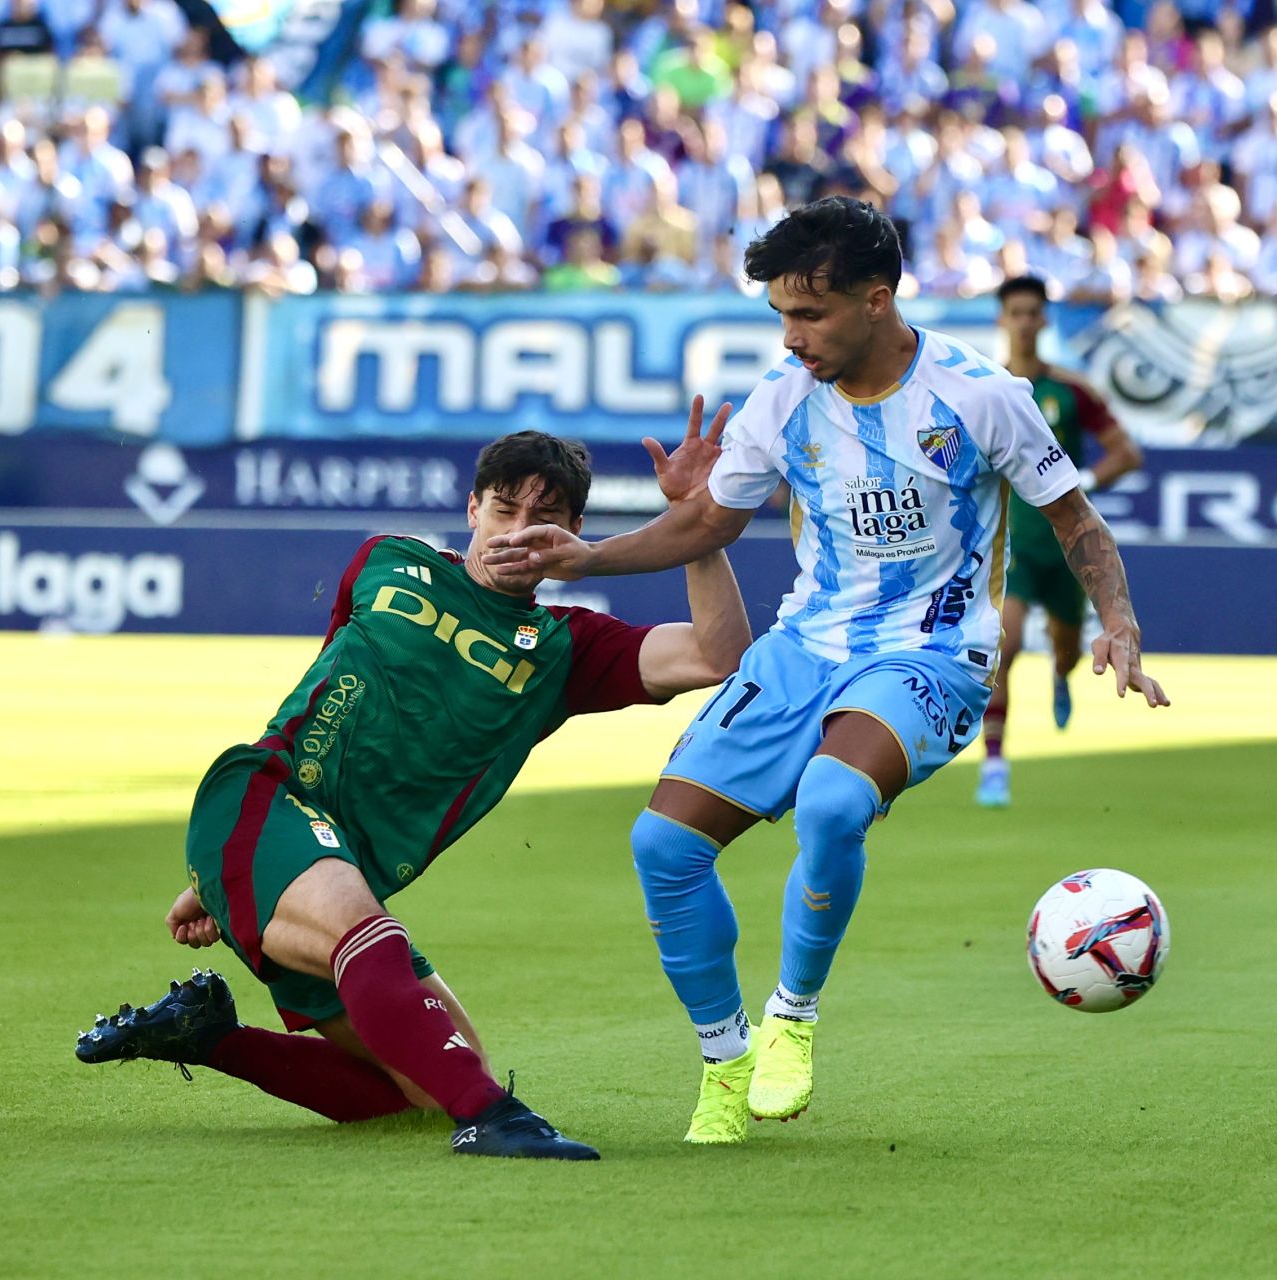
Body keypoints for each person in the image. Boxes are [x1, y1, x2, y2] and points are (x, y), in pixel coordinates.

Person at [484, 198, 1169, 1145]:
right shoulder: (781, 399)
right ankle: (726, 1064)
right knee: (662, 848)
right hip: (806, 645)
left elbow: (1075, 520)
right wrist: (584, 557)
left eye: (809, 315)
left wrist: (1121, 619)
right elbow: (707, 525)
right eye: (780, 316)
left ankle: (792, 1021)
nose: (791, 336)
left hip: (932, 651)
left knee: (834, 802)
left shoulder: (982, 397)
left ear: (877, 301)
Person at [75, 424, 750, 1159]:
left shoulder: (567, 649)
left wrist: (698, 528)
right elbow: (317, 696)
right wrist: (223, 876)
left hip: (328, 868)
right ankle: (498, 1119)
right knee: (385, 960)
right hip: (261, 801)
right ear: (471, 510)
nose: (517, 532)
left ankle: (208, 1034)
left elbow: (719, 653)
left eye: (544, 517)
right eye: (502, 509)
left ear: (575, 532)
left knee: (425, 1083)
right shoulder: (388, 559)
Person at [976, 275, 1145, 808]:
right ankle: (995, 764)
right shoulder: (983, 389)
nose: (1025, 322)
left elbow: (1126, 452)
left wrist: (1085, 482)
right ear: (1002, 319)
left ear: (1044, 320)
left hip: (1066, 546)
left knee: (1069, 650)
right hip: (1014, 543)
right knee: (1006, 641)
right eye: (1016, 313)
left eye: (1033, 313)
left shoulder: (1070, 391)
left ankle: (1063, 674)